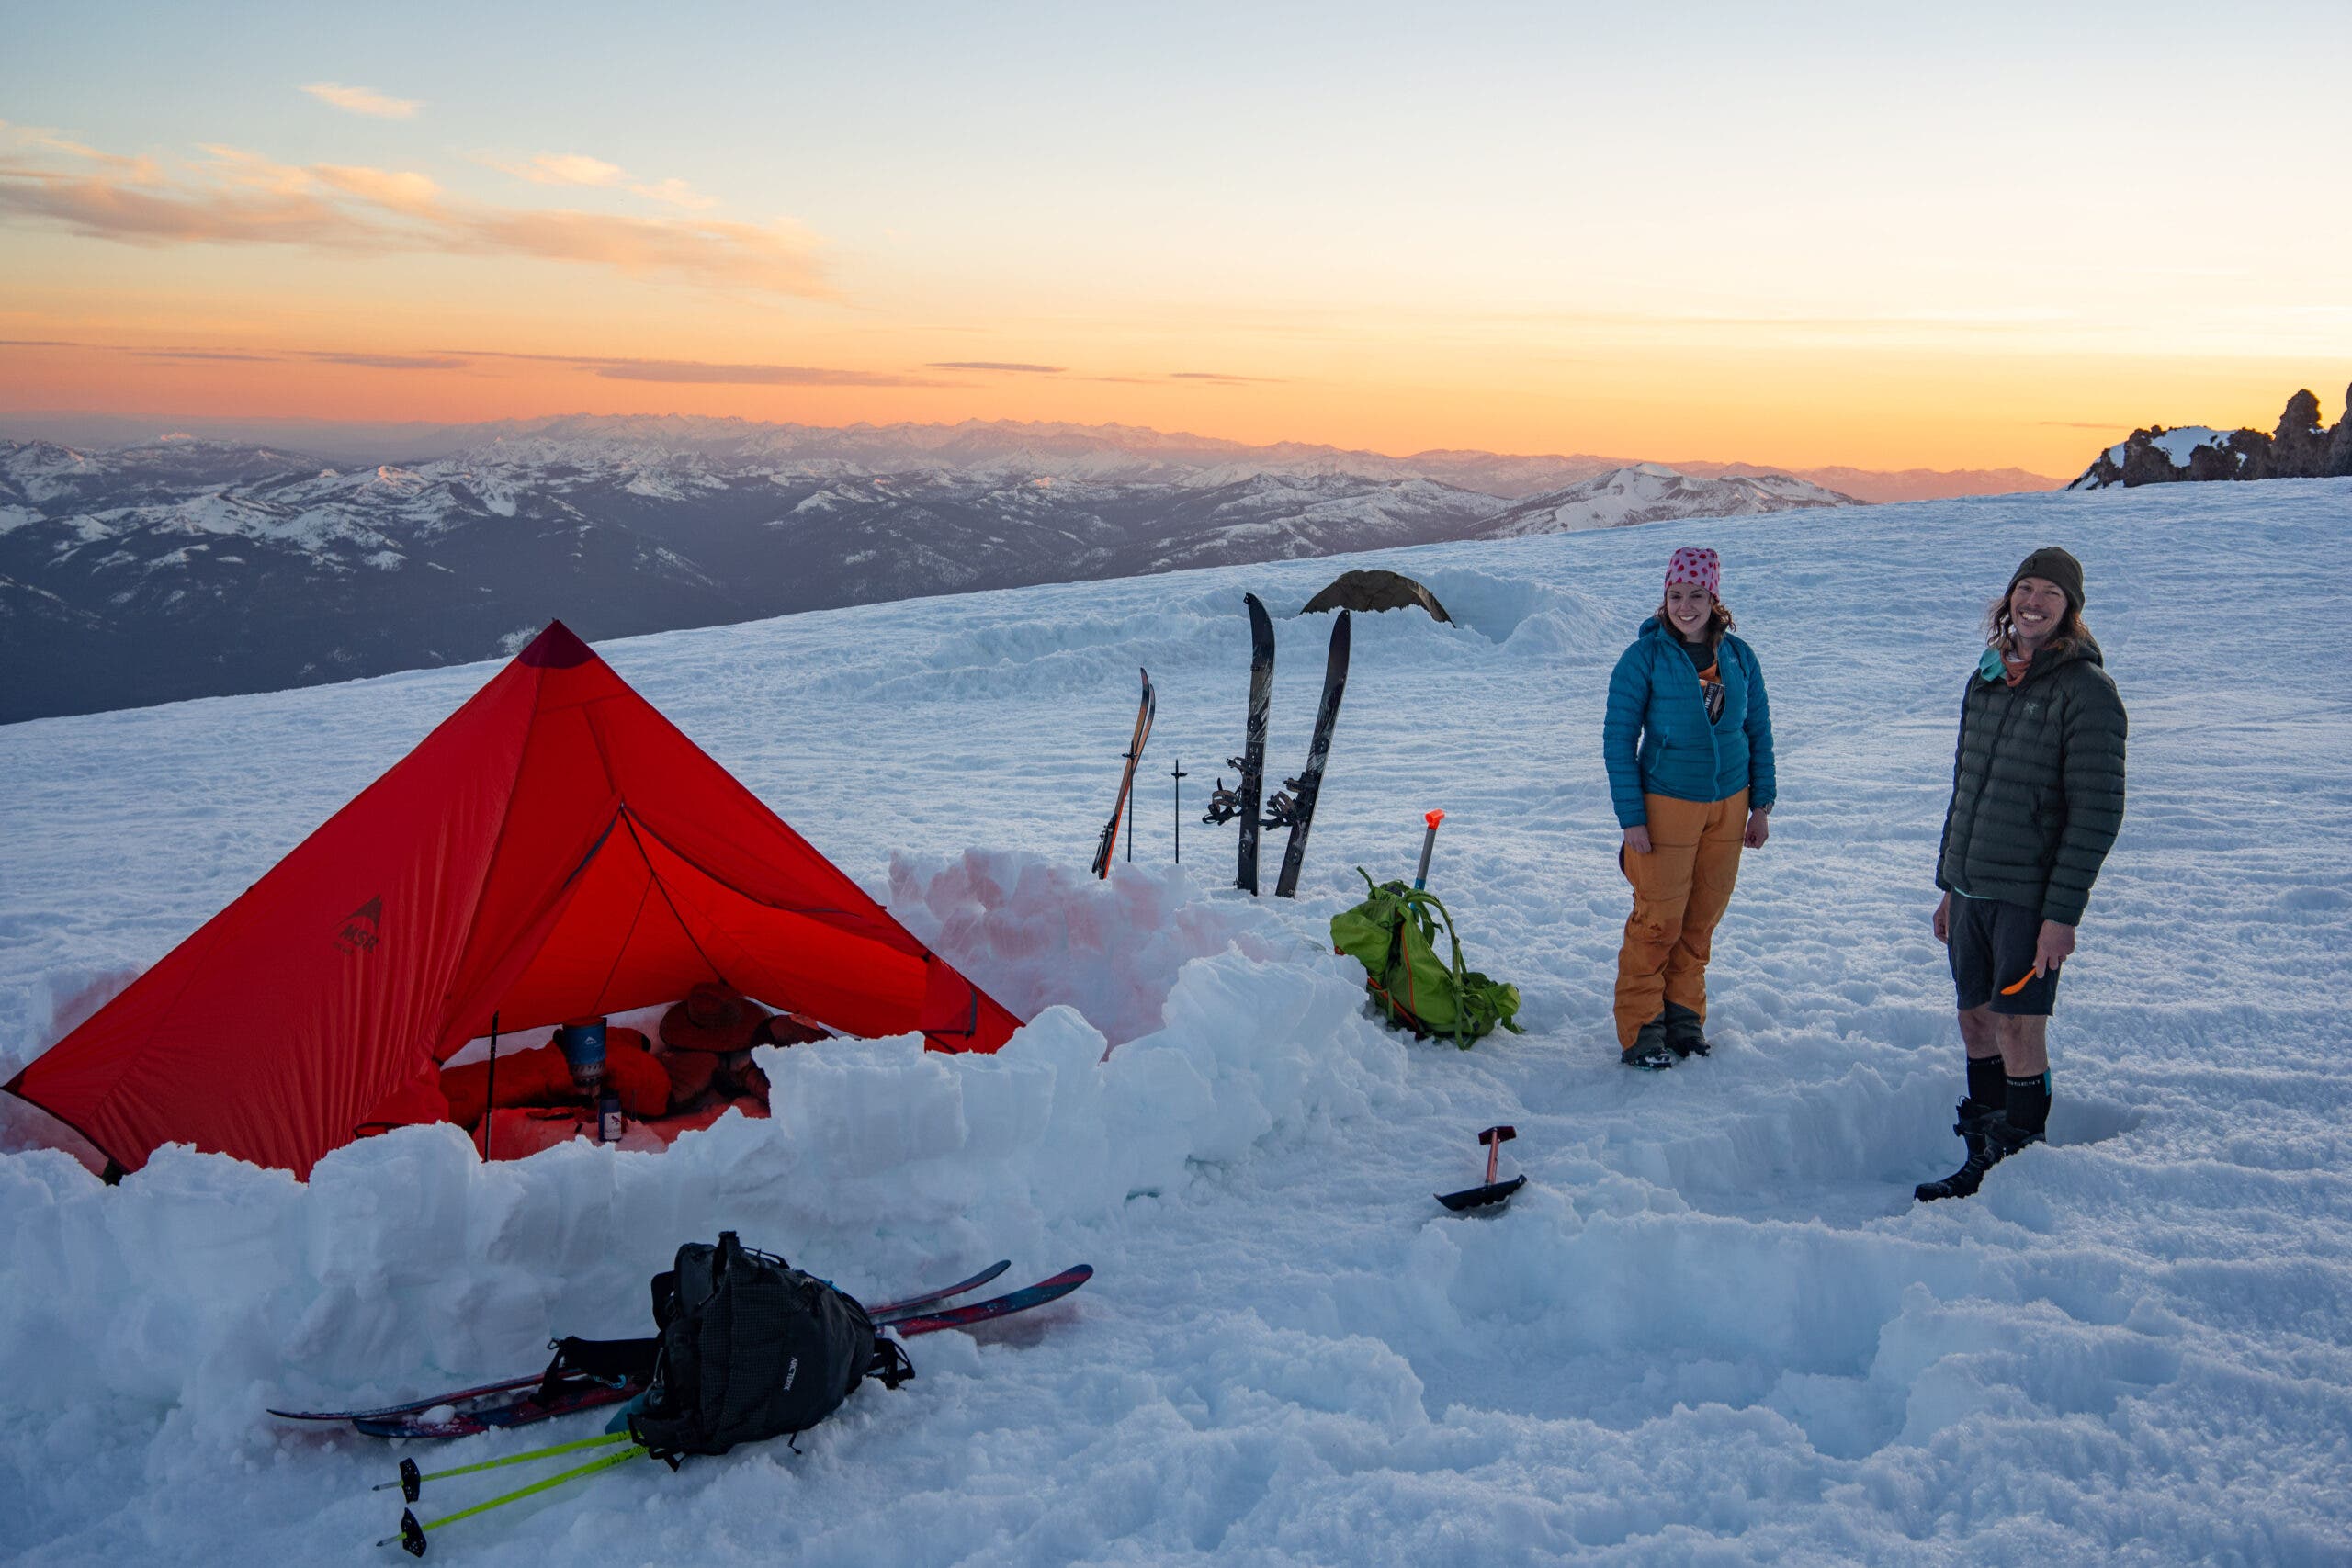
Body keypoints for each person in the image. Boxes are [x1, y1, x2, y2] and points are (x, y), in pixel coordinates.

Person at [1917, 547, 2126, 1201]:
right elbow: (1965, 788)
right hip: (1974, 888)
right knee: (1975, 1020)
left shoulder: (2086, 691)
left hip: (2029, 900)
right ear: (2009, 598)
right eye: (2025, 589)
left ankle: (2019, 1170)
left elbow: (2097, 811)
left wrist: (2061, 915)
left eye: (2050, 594)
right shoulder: (1986, 678)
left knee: (2017, 1025)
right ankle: (1982, 1152)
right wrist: (1950, 884)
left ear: (2070, 611)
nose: (2033, 602)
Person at [1602, 546, 1776, 1069]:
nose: (1685, 605)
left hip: (1730, 804)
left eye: (1696, 594)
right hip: (1665, 804)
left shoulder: (1740, 657)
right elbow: (1618, 739)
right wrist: (1631, 817)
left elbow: (1759, 731)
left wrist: (1761, 805)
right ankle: (1641, 1029)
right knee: (1658, 920)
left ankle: (1683, 1019)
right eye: (1676, 595)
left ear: (1713, 597)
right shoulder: (1645, 658)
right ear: (1665, 598)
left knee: (1700, 920)